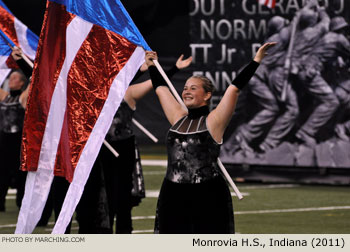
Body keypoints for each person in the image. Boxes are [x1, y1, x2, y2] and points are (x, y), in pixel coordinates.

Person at [145, 42, 275, 233]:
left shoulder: (214, 121)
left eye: (193, 88)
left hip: (206, 193)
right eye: (186, 87)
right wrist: (151, 65)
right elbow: (160, 89)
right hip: (172, 193)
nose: (186, 91)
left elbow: (234, 89)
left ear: (207, 95)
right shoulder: (178, 118)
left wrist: (256, 60)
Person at [76, 54, 192, 233]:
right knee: (100, 194)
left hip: (124, 148)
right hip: (99, 151)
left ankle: (124, 233)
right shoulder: (94, 94)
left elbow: (156, 83)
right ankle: (101, 233)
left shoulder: (128, 92)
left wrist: (174, 68)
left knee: (122, 197)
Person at [0, 48, 31, 211]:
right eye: (10, 78)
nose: (11, 81)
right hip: (4, 140)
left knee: (20, 175)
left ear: (21, 82)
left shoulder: (22, 98)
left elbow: (34, 81)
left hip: (18, 141)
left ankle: (21, 202)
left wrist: (23, 61)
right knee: (2, 173)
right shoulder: (5, 97)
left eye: (14, 78)